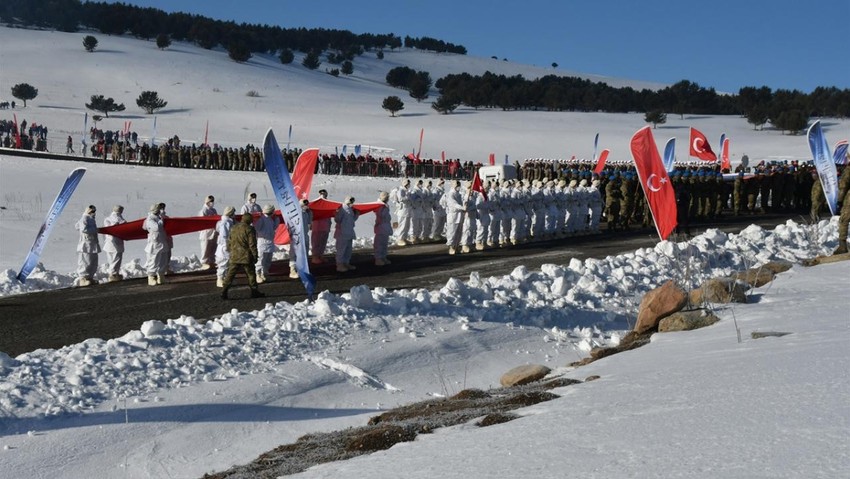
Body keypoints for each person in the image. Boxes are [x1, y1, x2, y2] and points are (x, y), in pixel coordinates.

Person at [220, 213, 264, 300]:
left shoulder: (233, 228)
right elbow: (252, 244)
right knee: (251, 274)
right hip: (246, 256)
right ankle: (254, 291)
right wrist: (255, 255)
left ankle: (224, 291)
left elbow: (229, 242)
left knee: (230, 275)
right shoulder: (249, 229)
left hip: (234, 255)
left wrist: (231, 251)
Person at [254, 204, 280, 283]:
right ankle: (257, 274)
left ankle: (264, 273)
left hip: (270, 242)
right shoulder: (261, 219)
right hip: (262, 242)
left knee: (268, 260)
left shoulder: (270, 219)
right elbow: (257, 228)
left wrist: (277, 220)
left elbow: (274, 227)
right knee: (260, 260)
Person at [142, 203, 167, 286]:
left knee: (163, 260)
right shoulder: (150, 219)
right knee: (154, 260)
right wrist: (161, 220)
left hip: (162, 241)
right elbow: (156, 227)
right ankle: (151, 277)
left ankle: (161, 276)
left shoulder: (158, 217)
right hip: (155, 243)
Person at [75, 205, 101, 287]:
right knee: (85, 261)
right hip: (86, 244)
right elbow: (83, 229)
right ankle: (83, 278)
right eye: (92, 211)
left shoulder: (91, 219)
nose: (94, 213)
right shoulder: (84, 218)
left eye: (94, 211)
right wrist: (95, 230)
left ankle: (90, 277)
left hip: (92, 243)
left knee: (93, 261)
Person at [288, 199, 313, 278]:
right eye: (304, 204)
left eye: (307, 204)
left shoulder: (306, 213)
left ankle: (303, 270)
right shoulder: (295, 213)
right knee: (294, 253)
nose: (306, 205)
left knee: (304, 253)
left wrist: (310, 213)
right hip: (297, 236)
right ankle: (292, 270)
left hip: (305, 235)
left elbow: (309, 222)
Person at [334, 196, 359, 272]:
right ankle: (340, 265)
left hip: (349, 232)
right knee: (341, 250)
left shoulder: (350, 209)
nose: (351, 203)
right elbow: (337, 220)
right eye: (350, 201)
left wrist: (356, 215)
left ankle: (346, 263)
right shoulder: (342, 209)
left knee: (348, 250)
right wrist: (337, 213)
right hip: (342, 233)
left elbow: (352, 220)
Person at [102, 204, 126, 282]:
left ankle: (114, 273)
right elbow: (110, 228)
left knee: (111, 259)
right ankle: (113, 274)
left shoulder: (107, 219)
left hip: (109, 242)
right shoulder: (119, 219)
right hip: (115, 241)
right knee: (116, 258)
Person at [215, 206, 236, 288]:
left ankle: (227, 279)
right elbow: (224, 236)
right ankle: (220, 279)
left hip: (229, 245)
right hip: (224, 247)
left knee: (229, 264)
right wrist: (227, 244)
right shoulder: (225, 223)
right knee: (223, 264)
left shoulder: (228, 222)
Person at [311, 189, 331, 264]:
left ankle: (320, 255)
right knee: (316, 242)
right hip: (317, 227)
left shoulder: (329, 204)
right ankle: (315, 257)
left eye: (324, 194)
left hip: (325, 226)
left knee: (323, 242)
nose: (323, 195)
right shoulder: (316, 203)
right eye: (321, 193)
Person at [198, 195, 218, 270]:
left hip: (213, 232)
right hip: (206, 234)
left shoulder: (213, 210)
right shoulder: (203, 211)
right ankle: (204, 262)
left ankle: (211, 261)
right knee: (205, 249)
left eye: (213, 201)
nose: (212, 203)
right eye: (210, 201)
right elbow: (202, 223)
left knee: (213, 248)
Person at [374, 191, 393, 265]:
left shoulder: (385, 205)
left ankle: (383, 257)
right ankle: (378, 258)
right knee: (379, 244)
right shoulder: (379, 205)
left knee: (384, 244)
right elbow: (380, 215)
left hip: (385, 226)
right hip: (380, 227)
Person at [157, 202, 173, 274]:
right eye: (161, 208)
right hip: (161, 239)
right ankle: (161, 269)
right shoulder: (156, 218)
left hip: (168, 238)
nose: (162, 209)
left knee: (168, 254)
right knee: (162, 255)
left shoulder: (167, 217)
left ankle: (167, 267)